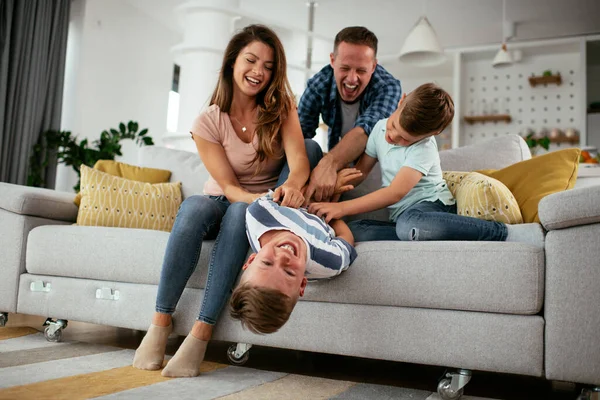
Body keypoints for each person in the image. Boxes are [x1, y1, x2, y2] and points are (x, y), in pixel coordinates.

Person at [133, 24, 323, 378]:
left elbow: (299, 163)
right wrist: (260, 201)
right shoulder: (207, 121)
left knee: (240, 213)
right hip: (228, 196)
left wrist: (293, 188)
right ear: (232, 62)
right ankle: (159, 323)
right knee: (194, 208)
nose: (258, 72)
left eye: (268, 67)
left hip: (256, 206)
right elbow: (228, 186)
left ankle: (201, 333)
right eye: (251, 61)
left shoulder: (281, 108)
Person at [308, 83, 544, 247]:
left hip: (432, 207)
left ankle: (503, 233)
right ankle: (414, 234)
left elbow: (395, 192)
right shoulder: (379, 129)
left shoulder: (424, 148)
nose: (392, 137)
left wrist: (341, 209)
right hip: (403, 218)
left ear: (432, 133)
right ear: (401, 102)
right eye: (393, 126)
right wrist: (337, 183)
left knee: (409, 224)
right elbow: (361, 171)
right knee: (358, 230)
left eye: (404, 139)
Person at [298, 26, 402, 203]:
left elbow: (366, 130)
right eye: (345, 68)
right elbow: (299, 134)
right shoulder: (318, 85)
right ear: (332, 60)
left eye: (361, 70)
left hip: (377, 173)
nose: (352, 79)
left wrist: (328, 164)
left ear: (374, 66)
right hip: (337, 170)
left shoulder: (388, 87)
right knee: (307, 146)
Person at [229, 192, 357, 334]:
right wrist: (328, 211)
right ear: (302, 283)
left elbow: (284, 191)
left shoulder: (259, 215)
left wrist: (306, 192)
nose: (283, 257)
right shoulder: (329, 261)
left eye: (267, 263)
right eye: (289, 272)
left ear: (252, 259)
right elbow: (346, 238)